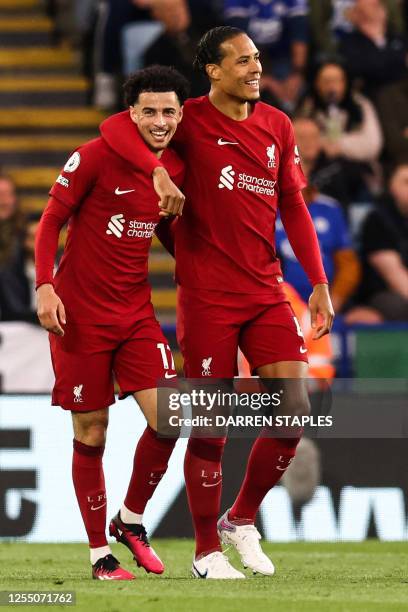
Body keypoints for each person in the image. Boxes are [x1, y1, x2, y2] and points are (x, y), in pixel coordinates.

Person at [101, 26, 334, 579]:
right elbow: (116, 128)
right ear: (213, 70)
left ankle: (240, 519)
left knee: (294, 409)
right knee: (210, 425)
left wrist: (319, 281)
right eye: (244, 60)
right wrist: (160, 178)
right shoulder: (187, 121)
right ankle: (206, 551)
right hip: (207, 299)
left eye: (257, 58)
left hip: (265, 290)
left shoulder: (276, 123)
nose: (256, 68)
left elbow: (294, 207)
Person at [35, 65, 187, 580]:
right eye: (150, 111)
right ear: (132, 114)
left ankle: (130, 519)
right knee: (92, 431)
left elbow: (167, 230)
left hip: (136, 313)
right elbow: (50, 220)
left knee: (172, 418)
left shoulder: (175, 170)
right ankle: (100, 554)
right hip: (80, 318)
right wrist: (45, 285)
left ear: (181, 113)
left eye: (169, 111)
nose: (160, 121)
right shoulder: (96, 155)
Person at [347, 163, 408, 322]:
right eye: (406, 182)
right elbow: (395, 278)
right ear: (391, 186)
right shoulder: (379, 219)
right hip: (385, 293)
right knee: (397, 305)